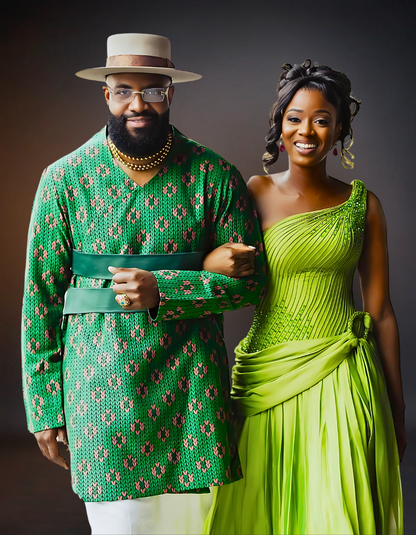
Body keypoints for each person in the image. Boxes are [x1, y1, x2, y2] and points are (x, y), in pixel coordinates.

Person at [21, 33, 266, 535]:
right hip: (100, 391)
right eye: (125, 91)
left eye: (152, 91)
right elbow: (39, 300)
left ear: (170, 93)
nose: (139, 103)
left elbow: (252, 288)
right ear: (105, 94)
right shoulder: (64, 179)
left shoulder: (214, 176)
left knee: (190, 529)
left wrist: (167, 288)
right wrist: (43, 407)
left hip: (193, 390)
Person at [202, 60, 405, 534]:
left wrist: (398, 409)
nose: (306, 130)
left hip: (344, 375)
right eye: (295, 117)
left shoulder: (364, 204)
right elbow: (214, 269)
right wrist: (213, 261)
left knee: (337, 511)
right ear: (280, 127)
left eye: (321, 119)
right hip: (267, 374)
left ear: (339, 131)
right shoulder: (253, 192)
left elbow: (381, 312)